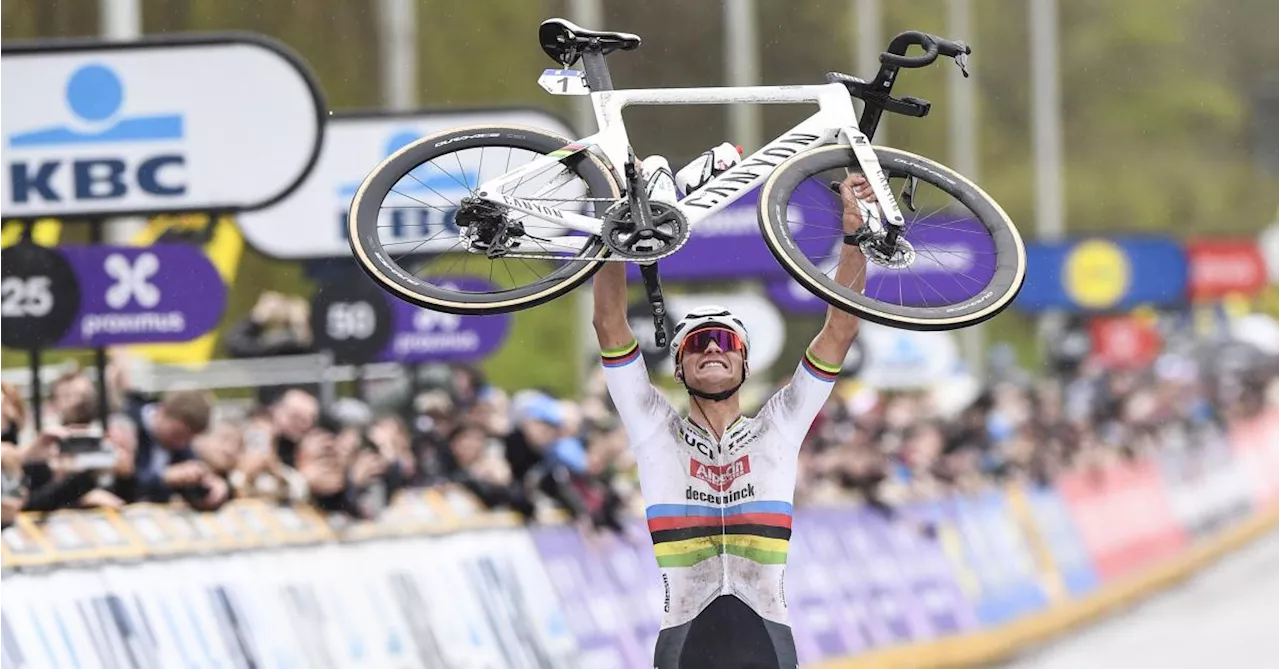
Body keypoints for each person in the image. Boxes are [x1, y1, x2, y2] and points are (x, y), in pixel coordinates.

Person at [591, 171, 874, 669]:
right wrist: (616, 236)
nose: (713, 350)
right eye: (699, 344)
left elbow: (842, 327)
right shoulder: (654, 427)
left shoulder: (780, 425)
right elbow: (609, 323)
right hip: (685, 636)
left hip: (765, 634)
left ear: (746, 364)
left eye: (727, 344)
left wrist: (854, 233)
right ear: (678, 366)